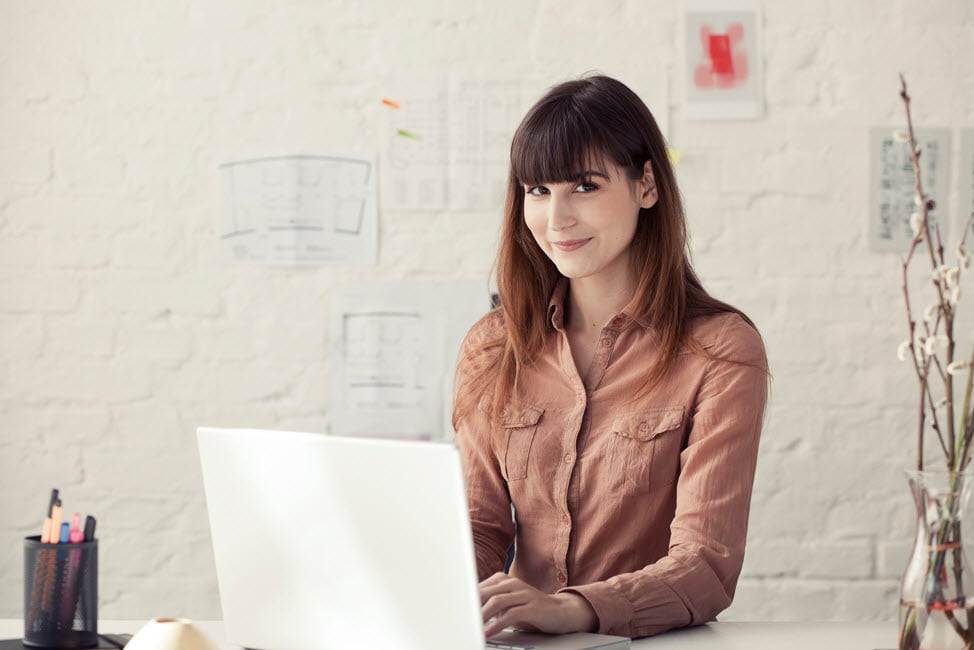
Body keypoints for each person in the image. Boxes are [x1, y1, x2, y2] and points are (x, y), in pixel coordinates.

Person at [451, 74, 769, 640]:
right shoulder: (493, 347)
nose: (557, 219)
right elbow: (477, 527)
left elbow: (707, 565)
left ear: (646, 184)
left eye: (585, 187)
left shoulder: (718, 351)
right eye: (538, 191)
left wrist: (573, 608)